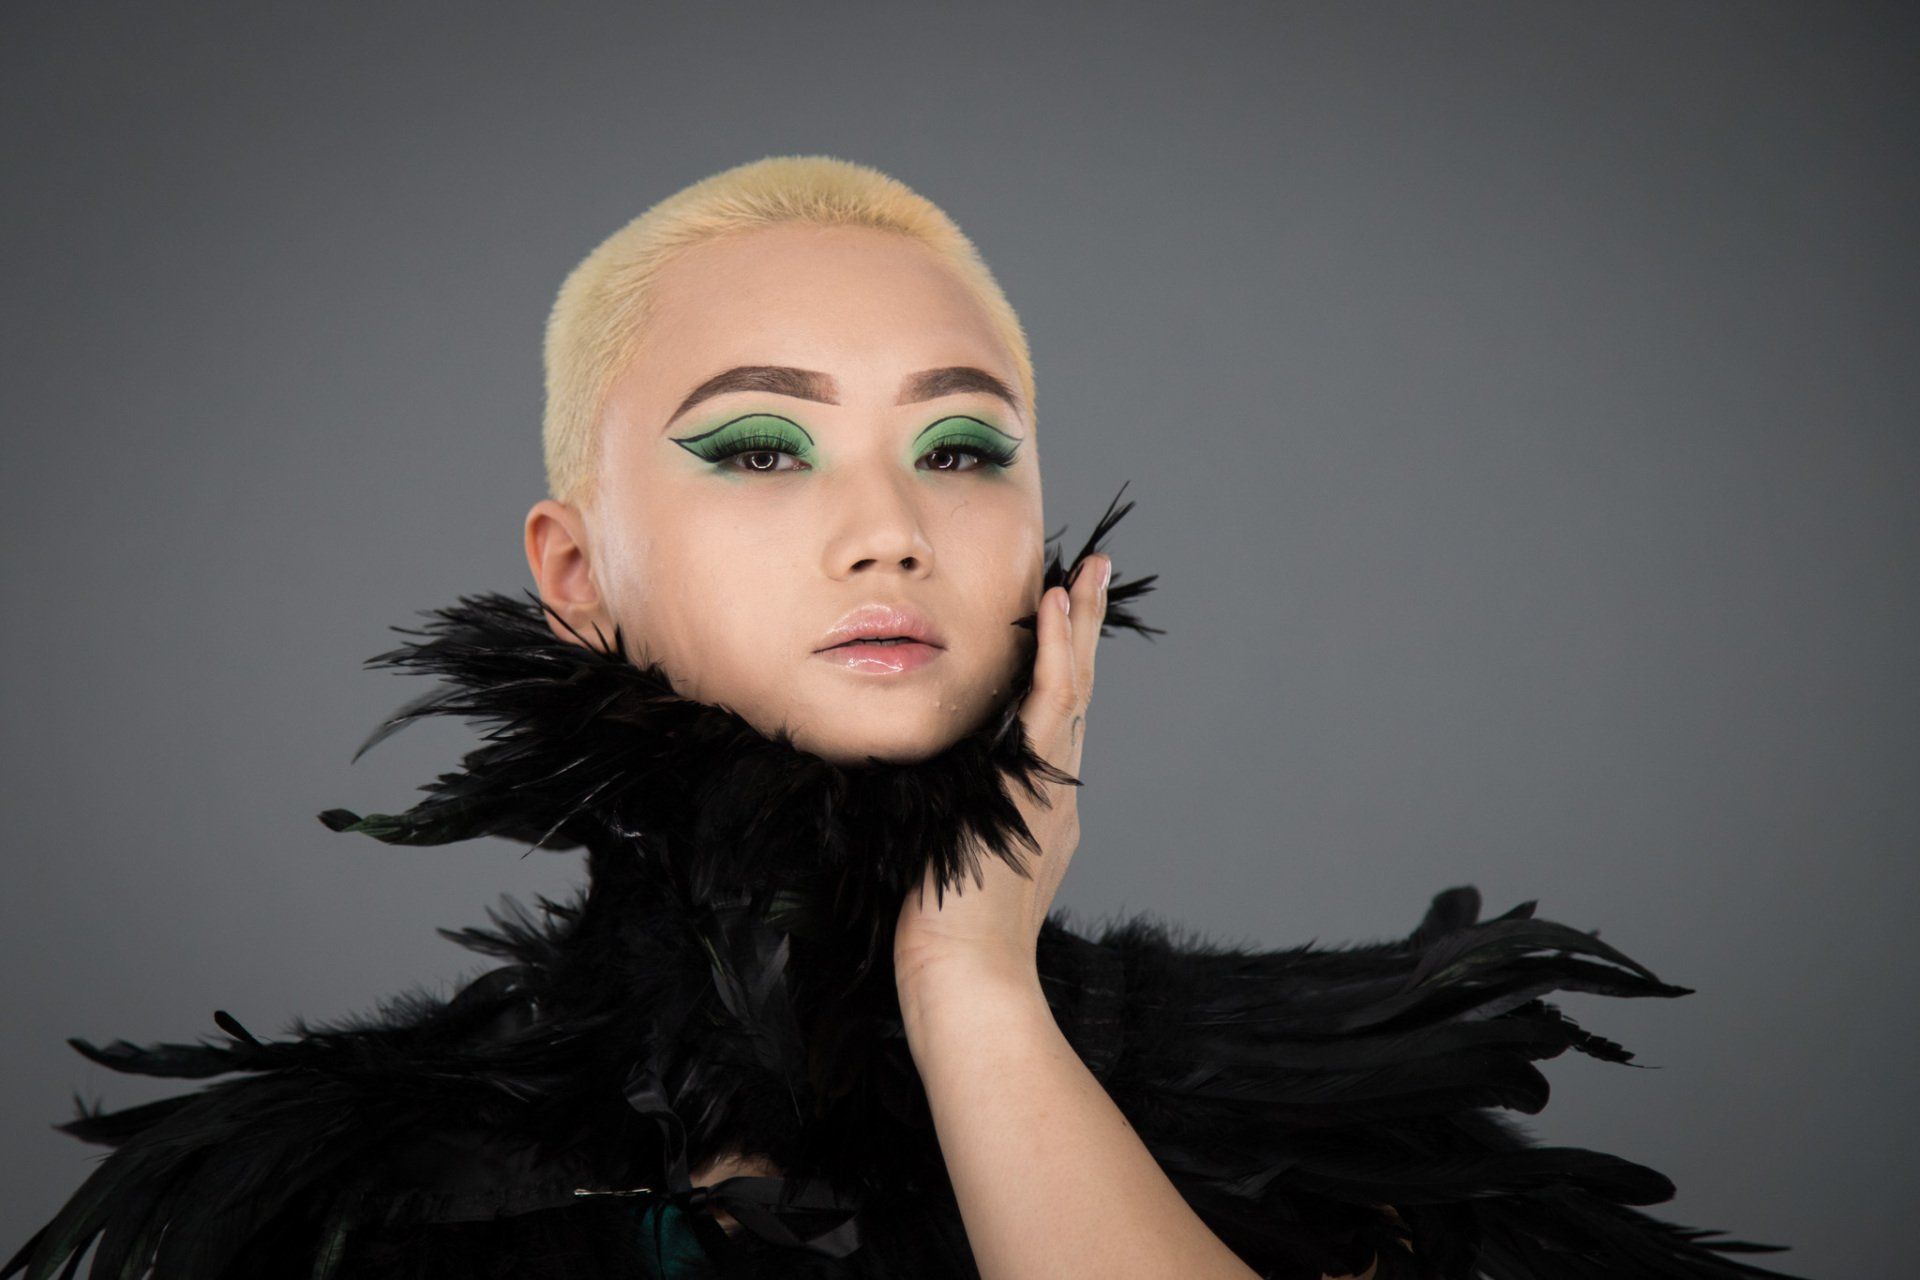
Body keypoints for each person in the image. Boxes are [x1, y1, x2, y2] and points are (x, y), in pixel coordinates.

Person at [3, 155, 1806, 1279]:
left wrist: (974, 998)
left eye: (961, 447)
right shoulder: (317, 1198)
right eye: (760, 446)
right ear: (573, 570)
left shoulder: (1324, 1126)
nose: (890, 526)